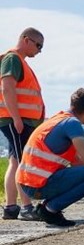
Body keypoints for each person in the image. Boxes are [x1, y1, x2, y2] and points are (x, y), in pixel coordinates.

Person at [16, 88, 84, 226]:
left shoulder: (58, 120)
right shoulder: (72, 124)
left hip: (28, 183)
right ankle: (50, 209)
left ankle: (47, 207)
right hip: (38, 185)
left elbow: (77, 162)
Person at [0, 27, 46, 221]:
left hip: (17, 119)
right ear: (26, 40)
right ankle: (26, 207)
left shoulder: (18, 61)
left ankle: (11, 207)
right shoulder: (13, 59)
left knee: (15, 161)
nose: (39, 50)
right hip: (16, 120)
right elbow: (7, 87)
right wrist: (17, 118)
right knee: (23, 162)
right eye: (38, 45)